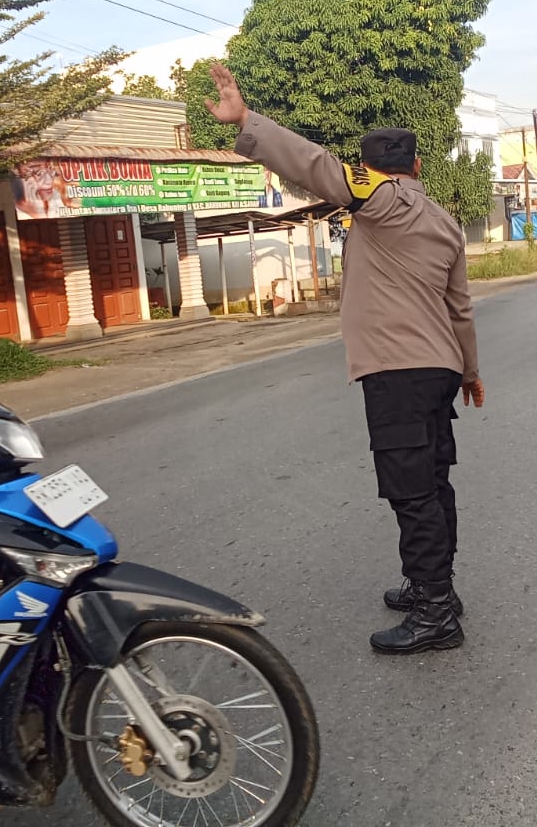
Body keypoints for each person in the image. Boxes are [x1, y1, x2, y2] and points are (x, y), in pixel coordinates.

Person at [204, 64, 483, 655]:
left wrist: (248, 122)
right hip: (436, 370)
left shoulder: (378, 198)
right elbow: (460, 307)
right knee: (434, 484)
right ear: (419, 166)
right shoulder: (444, 220)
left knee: (412, 492)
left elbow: (316, 166)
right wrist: (471, 371)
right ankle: (435, 589)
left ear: (374, 169)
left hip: (396, 370)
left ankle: (436, 613)